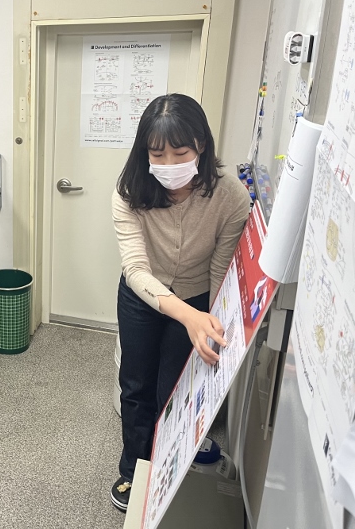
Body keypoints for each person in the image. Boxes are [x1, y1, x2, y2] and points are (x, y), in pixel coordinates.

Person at [110, 94, 251, 511]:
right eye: (158, 155)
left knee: (174, 391)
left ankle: (165, 476)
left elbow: (221, 271)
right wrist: (188, 315)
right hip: (142, 296)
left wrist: (210, 319)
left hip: (196, 295)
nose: (169, 164)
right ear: (144, 153)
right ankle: (134, 471)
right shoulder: (129, 190)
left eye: (180, 153)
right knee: (135, 385)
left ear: (201, 146)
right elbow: (136, 270)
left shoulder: (230, 196)